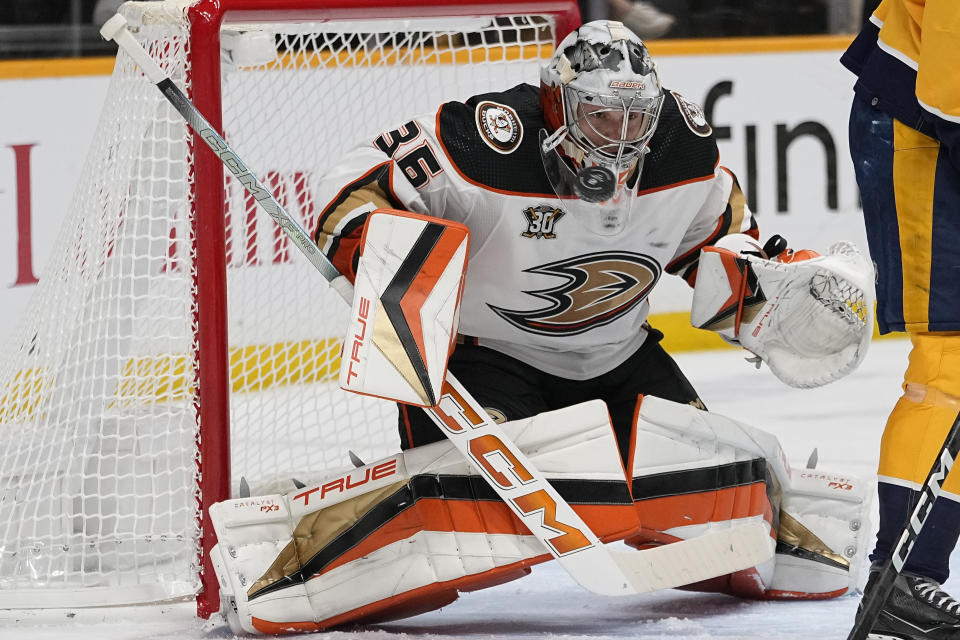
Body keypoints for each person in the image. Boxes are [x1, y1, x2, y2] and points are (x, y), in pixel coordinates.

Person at [204, 20, 874, 635]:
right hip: (486, 361)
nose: (621, 137)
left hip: (619, 358)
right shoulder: (483, 141)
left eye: (636, 117)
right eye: (602, 115)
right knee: (491, 515)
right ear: (558, 104)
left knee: (707, 479)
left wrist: (769, 293)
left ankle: (781, 516)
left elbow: (718, 248)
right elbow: (354, 184)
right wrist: (370, 243)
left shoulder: (686, 156)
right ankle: (292, 537)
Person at [842, 1, 960, 638]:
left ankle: (911, 573)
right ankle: (901, 577)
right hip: (921, 131)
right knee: (950, 361)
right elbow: (951, 92)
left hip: (940, 118)